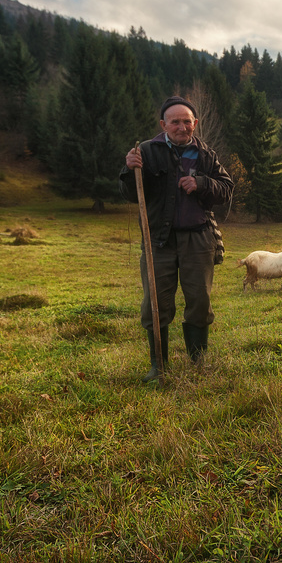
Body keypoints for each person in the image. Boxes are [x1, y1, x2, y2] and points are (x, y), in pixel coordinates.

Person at [120, 95, 234, 382]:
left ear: (195, 123)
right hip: (158, 239)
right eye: (176, 122)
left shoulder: (206, 155)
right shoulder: (145, 151)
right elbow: (131, 194)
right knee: (155, 304)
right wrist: (128, 170)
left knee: (199, 300)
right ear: (163, 124)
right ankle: (158, 366)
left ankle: (198, 364)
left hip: (198, 239)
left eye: (187, 121)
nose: (182, 127)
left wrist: (202, 183)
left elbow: (226, 190)